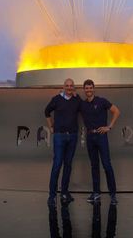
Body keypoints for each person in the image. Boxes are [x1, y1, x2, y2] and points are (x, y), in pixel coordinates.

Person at [80, 79, 120, 205]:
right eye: (86, 88)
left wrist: (109, 127)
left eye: (90, 88)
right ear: (84, 90)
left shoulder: (102, 101)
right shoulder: (83, 104)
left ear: (93, 88)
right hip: (90, 137)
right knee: (94, 166)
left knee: (107, 165)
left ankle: (113, 194)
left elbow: (116, 111)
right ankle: (96, 193)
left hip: (101, 137)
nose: (88, 90)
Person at [45, 78, 80, 206]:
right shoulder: (56, 99)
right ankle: (52, 195)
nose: (69, 87)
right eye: (67, 85)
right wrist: (51, 127)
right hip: (59, 137)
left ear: (74, 87)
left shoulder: (77, 99)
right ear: (63, 87)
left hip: (72, 137)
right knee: (57, 165)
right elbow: (46, 111)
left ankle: (64, 192)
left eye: (71, 86)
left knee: (68, 165)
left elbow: (85, 108)